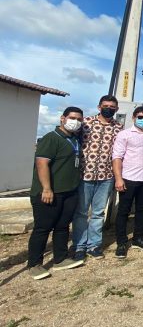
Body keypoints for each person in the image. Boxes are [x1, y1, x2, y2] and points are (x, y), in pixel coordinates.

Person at [27, 107, 85, 280]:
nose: (76, 121)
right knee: (42, 228)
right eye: (72, 117)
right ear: (62, 118)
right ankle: (34, 264)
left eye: (79, 119)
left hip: (69, 192)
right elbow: (42, 163)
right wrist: (46, 188)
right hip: (50, 192)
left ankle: (60, 259)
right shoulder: (52, 138)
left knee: (62, 226)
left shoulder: (75, 139)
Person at [72, 95, 122, 261]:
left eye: (112, 107)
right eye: (106, 105)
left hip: (106, 176)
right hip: (84, 175)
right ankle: (79, 246)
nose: (109, 108)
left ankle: (94, 245)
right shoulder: (86, 123)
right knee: (81, 212)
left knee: (98, 213)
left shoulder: (118, 128)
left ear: (117, 109)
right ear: (99, 106)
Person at [112, 106, 143, 259]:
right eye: (140, 117)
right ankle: (122, 242)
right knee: (124, 211)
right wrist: (118, 178)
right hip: (128, 178)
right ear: (134, 118)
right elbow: (117, 157)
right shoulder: (124, 135)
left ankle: (138, 238)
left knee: (142, 210)